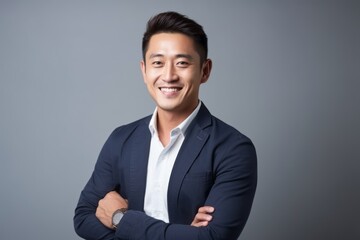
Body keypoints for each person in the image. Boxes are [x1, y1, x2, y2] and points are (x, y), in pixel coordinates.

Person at [74, 11, 257, 240]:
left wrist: (120, 218)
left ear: (205, 70)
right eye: (158, 63)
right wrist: (183, 234)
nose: (168, 75)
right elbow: (83, 217)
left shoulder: (233, 148)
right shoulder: (121, 139)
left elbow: (213, 237)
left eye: (182, 63)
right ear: (144, 70)